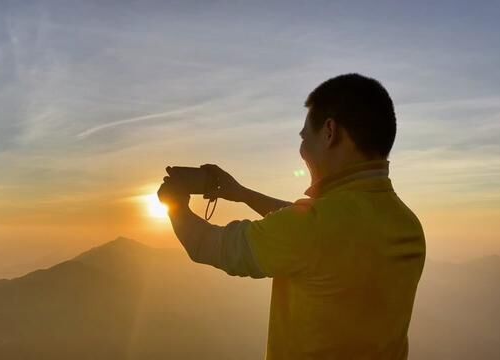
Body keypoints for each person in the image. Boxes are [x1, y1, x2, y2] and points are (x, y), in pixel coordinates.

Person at [157, 73, 426, 359]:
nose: (302, 150)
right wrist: (242, 193)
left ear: (329, 132)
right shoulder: (407, 224)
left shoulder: (314, 229)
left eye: (304, 137)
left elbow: (209, 245)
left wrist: (174, 204)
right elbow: (313, 229)